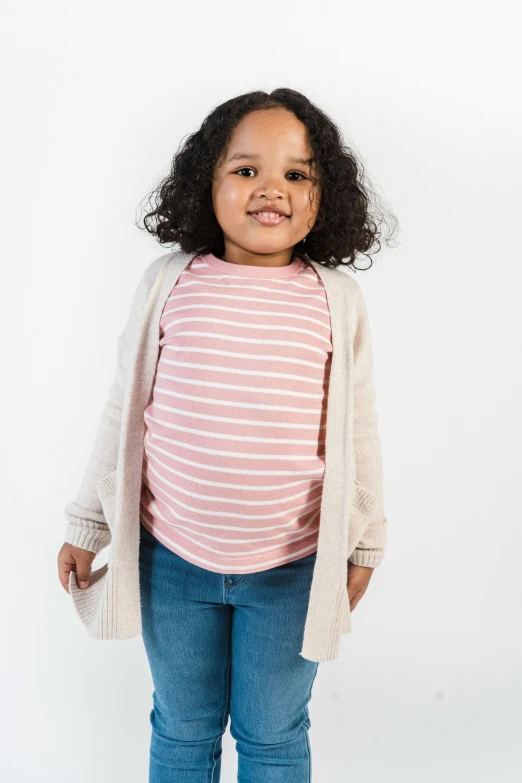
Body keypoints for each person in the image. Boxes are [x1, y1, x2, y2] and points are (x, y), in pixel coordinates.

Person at [57, 87, 397, 783]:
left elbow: (358, 424)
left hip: (292, 569)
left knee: (272, 731)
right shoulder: (169, 283)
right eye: (246, 170)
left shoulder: (335, 298)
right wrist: (89, 522)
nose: (271, 187)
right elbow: (123, 408)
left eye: (296, 174)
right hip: (173, 563)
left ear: (322, 198)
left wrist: (365, 539)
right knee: (182, 727)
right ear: (204, 185)